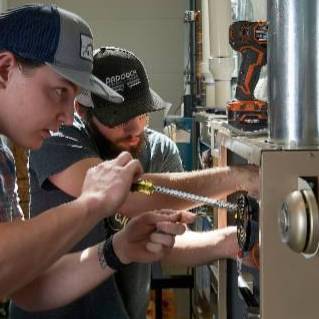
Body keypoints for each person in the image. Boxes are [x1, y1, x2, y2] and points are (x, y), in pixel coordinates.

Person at [10, 47, 259, 319]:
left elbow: (170, 244)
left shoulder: (160, 151)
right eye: (118, 119)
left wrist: (233, 240)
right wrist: (240, 176)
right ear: (82, 109)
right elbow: (126, 196)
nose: (134, 129)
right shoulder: (57, 138)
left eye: (140, 114)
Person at [0, 3, 194, 306]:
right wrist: (91, 204)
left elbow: (26, 285)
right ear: (5, 69)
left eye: (74, 97)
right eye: (59, 91)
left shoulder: (4, 160)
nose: (67, 117)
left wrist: (117, 251)